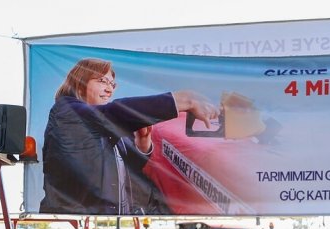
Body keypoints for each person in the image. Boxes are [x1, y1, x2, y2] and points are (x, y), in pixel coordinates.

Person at [39, 58, 219, 215]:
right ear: (80, 82)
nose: (109, 89)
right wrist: (183, 99)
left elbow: (125, 171)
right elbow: (114, 113)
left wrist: (143, 146)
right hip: (73, 225)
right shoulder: (66, 111)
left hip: (109, 226)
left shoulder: (101, 125)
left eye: (112, 84)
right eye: (102, 81)